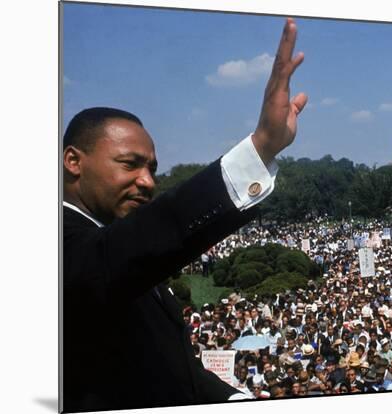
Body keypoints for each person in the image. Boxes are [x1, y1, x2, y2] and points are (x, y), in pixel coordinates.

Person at [62, 18, 307, 413]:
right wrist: (260, 148)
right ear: (74, 161)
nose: (147, 181)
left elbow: (177, 371)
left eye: (153, 169)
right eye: (130, 164)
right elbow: (145, 237)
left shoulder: (121, 257)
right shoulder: (63, 247)